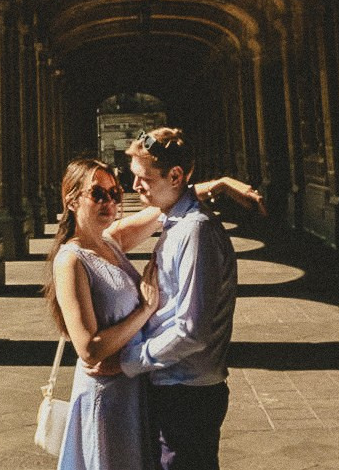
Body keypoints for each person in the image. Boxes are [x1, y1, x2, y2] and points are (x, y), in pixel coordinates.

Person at [115, 126, 258, 470]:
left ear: (175, 175)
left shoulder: (195, 232)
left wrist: (131, 360)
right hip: (177, 386)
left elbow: (192, 330)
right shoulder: (176, 223)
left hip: (187, 394)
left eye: (143, 178)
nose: (134, 187)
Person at [46, 157, 162, 470]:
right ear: (72, 199)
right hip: (106, 397)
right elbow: (89, 348)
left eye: (114, 193)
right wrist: (145, 310)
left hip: (131, 385)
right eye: (97, 194)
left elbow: (164, 205)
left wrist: (220, 185)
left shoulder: (111, 240)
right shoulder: (70, 261)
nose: (109, 202)